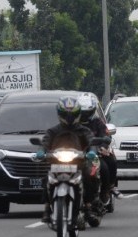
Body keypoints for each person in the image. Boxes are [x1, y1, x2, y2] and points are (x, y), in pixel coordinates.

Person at [40, 96, 100, 227]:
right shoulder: (54, 130)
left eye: (72, 115)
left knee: (89, 175)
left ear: (77, 114)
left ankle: (88, 207)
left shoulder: (83, 130)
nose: (69, 118)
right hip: (56, 163)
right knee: (46, 178)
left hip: (78, 163)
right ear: (60, 114)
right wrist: (41, 151)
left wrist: (92, 151)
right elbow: (45, 141)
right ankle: (46, 207)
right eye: (65, 115)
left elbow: (91, 141)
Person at [78, 93, 118, 206]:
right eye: (82, 112)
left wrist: (103, 147)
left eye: (87, 112)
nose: (85, 115)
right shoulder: (73, 124)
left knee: (106, 165)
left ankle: (107, 190)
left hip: (94, 154)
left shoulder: (97, 122)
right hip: (76, 154)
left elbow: (106, 135)